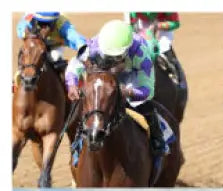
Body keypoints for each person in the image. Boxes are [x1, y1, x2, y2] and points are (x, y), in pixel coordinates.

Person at [65, 19, 168, 159]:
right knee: (92, 103)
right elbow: (74, 65)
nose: (111, 59)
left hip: (131, 75)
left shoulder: (141, 54)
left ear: (127, 50)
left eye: (115, 56)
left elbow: (147, 91)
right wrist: (72, 84)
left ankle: (158, 138)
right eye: (108, 55)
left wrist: (128, 92)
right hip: (104, 73)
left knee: (143, 105)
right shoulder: (94, 46)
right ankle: (78, 143)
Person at [16, 12, 86, 71]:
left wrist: (82, 46)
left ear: (55, 21)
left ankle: (64, 82)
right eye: (41, 23)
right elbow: (20, 29)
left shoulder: (62, 23)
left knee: (55, 56)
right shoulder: (29, 19)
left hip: (54, 46)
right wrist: (32, 35)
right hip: (35, 46)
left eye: (48, 24)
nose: (44, 27)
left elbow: (75, 37)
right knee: (26, 60)